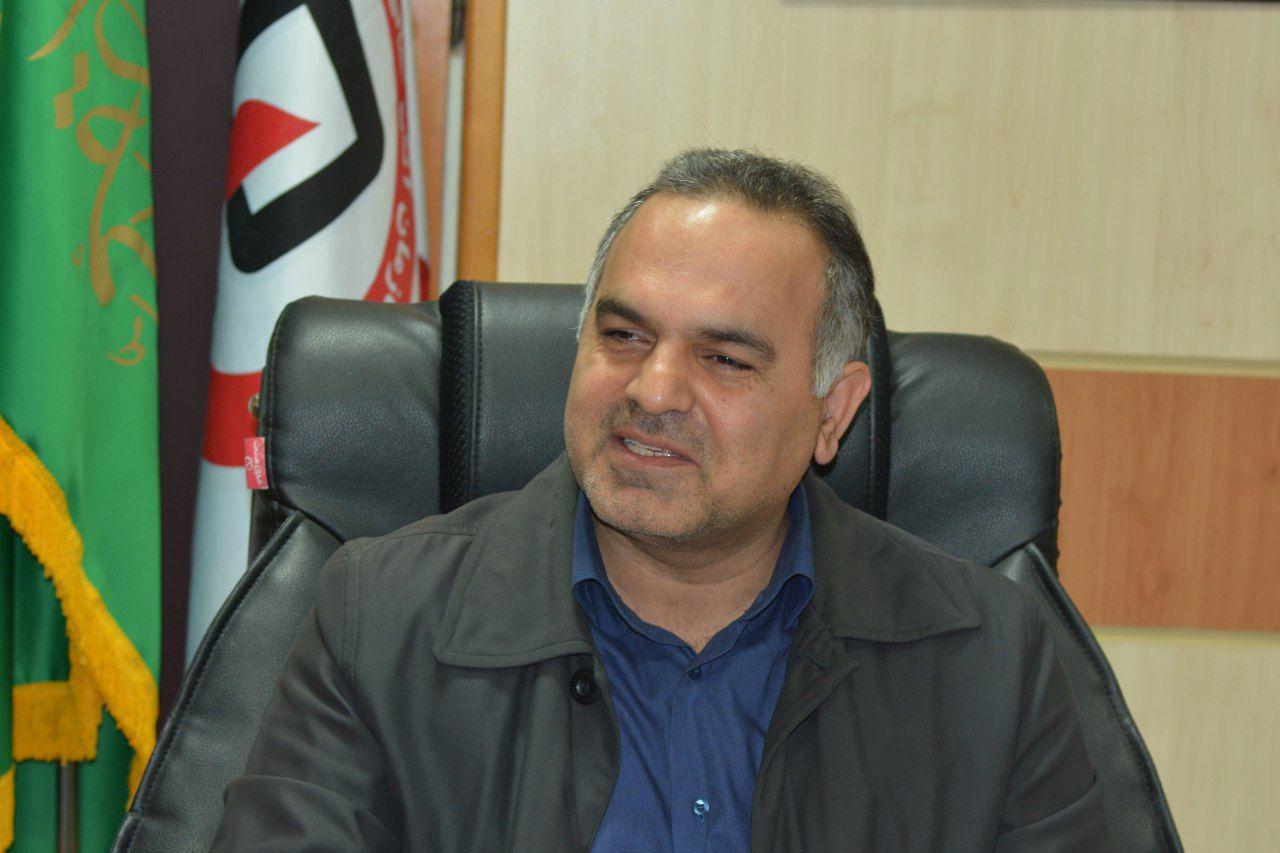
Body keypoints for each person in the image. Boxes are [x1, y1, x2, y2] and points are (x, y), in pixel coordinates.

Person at [213, 149, 1112, 851]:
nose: (652, 390)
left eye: (724, 359)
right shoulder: (381, 620)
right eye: (623, 335)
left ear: (832, 412)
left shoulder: (991, 661)